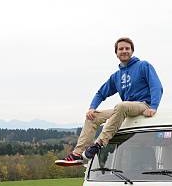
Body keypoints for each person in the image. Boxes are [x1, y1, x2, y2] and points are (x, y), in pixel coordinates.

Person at [55, 37, 163, 166]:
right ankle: (77, 154)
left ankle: (99, 144)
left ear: (132, 51)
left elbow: (156, 86)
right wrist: (92, 107)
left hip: (143, 105)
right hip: (124, 109)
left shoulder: (143, 66)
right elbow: (101, 93)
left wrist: (154, 107)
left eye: (127, 48)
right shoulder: (116, 76)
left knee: (121, 106)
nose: (124, 51)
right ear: (116, 53)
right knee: (93, 116)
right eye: (121, 49)